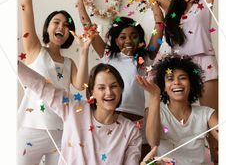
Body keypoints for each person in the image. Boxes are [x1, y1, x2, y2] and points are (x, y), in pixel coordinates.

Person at [125, 0, 219, 163]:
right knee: (168, 112)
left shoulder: (204, 6)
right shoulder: (173, 11)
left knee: (214, 125)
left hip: (205, 64)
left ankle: (216, 157)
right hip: (179, 68)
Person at [76, 0, 164, 157]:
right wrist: (80, 4)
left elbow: (160, 24)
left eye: (133, 36)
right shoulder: (107, 55)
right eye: (123, 37)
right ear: (115, 40)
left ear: (140, 39)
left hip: (136, 122)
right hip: (108, 119)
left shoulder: (144, 58)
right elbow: (89, 28)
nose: (128, 41)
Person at [18, 35, 142, 165]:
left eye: (114, 86)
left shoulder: (131, 131)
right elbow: (41, 85)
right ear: (92, 92)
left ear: (121, 89)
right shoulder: (74, 108)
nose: (109, 92)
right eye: (101, 87)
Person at [18, 0, 83, 165]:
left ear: (69, 34)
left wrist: (84, 51)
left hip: (62, 132)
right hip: (31, 131)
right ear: (47, 28)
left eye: (66, 25)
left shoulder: (70, 63)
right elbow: (25, 3)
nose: (62, 26)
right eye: (56, 22)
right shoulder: (35, 49)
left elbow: (82, 85)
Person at [136, 54, 218, 165]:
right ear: (163, 86)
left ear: (191, 84)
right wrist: (155, 96)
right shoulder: (153, 111)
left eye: (183, 78)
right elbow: (153, 141)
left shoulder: (206, 113)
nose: (177, 82)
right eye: (170, 79)